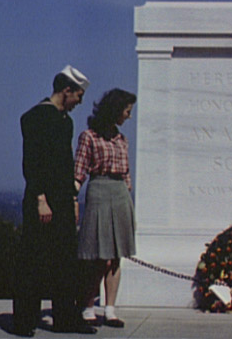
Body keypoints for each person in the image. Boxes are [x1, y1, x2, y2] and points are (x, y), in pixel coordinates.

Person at [12, 65, 97, 337]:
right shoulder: (36, 117)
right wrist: (40, 199)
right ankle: (24, 321)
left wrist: (72, 199)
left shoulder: (64, 121)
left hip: (61, 199)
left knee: (64, 262)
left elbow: (64, 164)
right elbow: (33, 162)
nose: (79, 102)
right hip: (43, 199)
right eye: (78, 96)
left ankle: (65, 318)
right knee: (34, 260)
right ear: (66, 90)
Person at [74, 88, 137, 328]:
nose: (128, 116)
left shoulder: (122, 140)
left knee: (115, 256)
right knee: (95, 255)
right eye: (126, 111)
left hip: (119, 193)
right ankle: (88, 306)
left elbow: (127, 172)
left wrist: (126, 194)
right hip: (99, 191)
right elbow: (79, 171)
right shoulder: (89, 137)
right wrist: (72, 199)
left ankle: (110, 309)